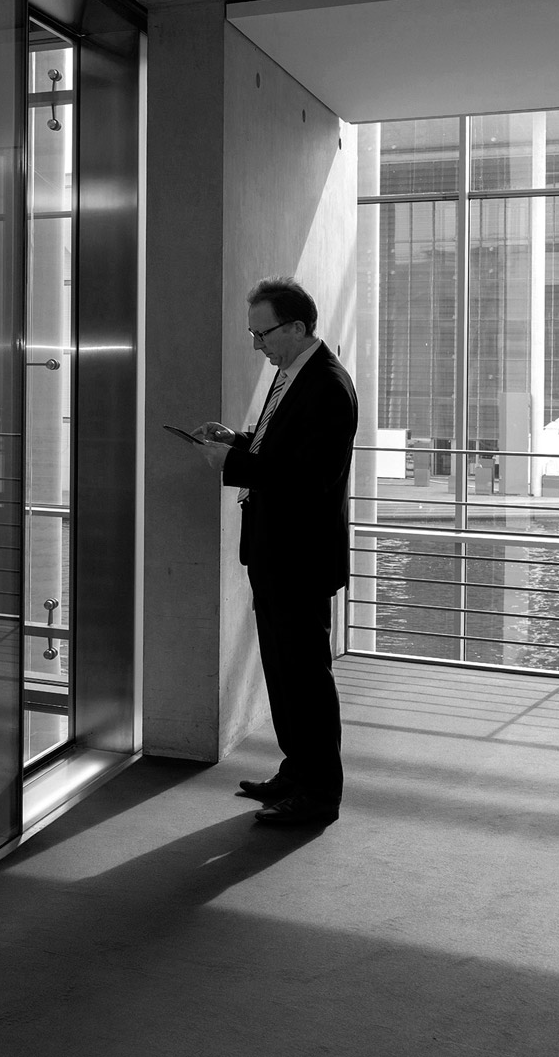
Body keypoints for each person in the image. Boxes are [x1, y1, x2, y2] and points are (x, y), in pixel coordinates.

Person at [192, 276, 357, 827]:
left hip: (300, 557)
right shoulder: (293, 374)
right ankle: (297, 772)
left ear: (297, 327)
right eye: (253, 335)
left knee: (305, 677)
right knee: (284, 673)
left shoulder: (327, 384)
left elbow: (311, 478)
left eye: (262, 334)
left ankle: (319, 794)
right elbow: (281, 451)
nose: (257, 345)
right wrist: (236, 442)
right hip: (275, 551)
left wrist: (233, 465)